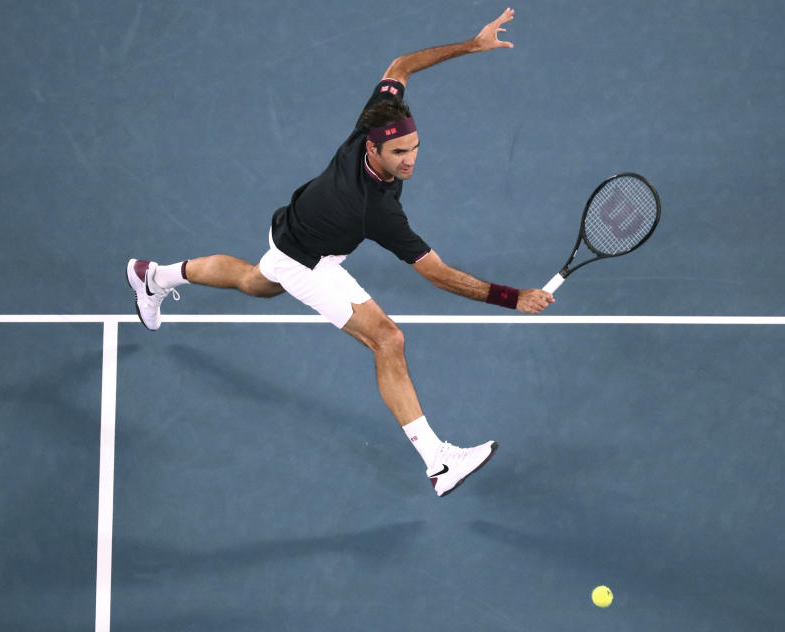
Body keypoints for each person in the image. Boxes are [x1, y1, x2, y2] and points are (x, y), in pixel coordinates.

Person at [126, 8, 554, 497]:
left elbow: (400, 66)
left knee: (255, 283)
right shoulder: (375, 210)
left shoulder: (373, 121)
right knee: (387, 340)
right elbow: (436, 274)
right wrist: (511, 297)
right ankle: (438, 460)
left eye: (414, 148)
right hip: (307, 259)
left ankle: (154, 276)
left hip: (294, 225)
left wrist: (470, 46)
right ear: (372, 151)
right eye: (399, 154)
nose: (410, 160)